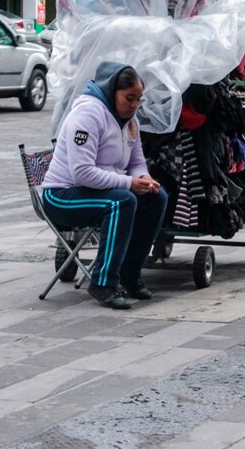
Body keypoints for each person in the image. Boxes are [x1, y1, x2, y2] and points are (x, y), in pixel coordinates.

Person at [41, 62, 168, 309]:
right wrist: (130, 183)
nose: (134, 105)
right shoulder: (88, 115)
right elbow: (82, 174)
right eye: (129, 98)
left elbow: (137, 161)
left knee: (157, 197)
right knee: (122, 201)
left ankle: (130, 274)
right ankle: (103, 283)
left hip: (100, 191)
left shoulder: (131, 122)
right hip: (62, 195)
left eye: (138, 99)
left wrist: (143, 178)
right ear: (112, 92)